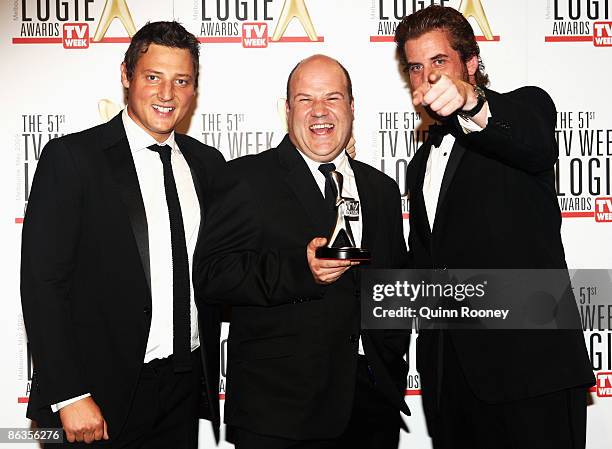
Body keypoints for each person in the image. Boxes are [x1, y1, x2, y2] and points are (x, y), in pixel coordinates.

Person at [394, 5, 595, 449]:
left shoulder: (524, 110)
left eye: (439, 62)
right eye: (415, 67)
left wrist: (472, 101)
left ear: (470, 63)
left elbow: (535, 138)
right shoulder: (420, 163)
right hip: (451, 385)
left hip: (531, 373)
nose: (427, 77)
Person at [20, 21, 223, 447]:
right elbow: (43, 285)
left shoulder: (208, 164)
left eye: (181, 81)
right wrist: (69, 394)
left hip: (183, 388)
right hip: (97, 394)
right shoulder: (73, 159)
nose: (167, 94)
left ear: (194, 90)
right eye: (153, 77)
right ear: (127, 76)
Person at [195, 54, 411, 449]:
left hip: (371, 408)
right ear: (287, 109)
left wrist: (391, 365)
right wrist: (300, 270)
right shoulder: (246, 179)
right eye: (306, 99)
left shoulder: (380, 189)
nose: (320, 111)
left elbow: (393, 283)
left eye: (332, 98)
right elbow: (211, 276)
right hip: (279, 414)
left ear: (351, 107)